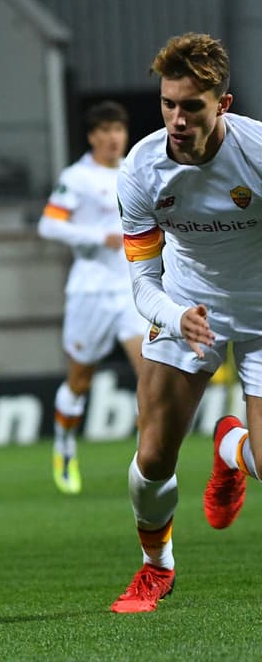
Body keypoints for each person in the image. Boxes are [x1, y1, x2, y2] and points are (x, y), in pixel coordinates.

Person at [110, 33, 262, 612]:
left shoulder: (256, 153)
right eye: (168, 104)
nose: (177, 119)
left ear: (223, 104)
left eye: (192, 106)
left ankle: (231, 449)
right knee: (152, 458)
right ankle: (157, 567)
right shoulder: (141, 169)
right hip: (186, 305)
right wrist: (177, 316)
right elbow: (142, 284)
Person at [37, 101, 142, 495]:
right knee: (79, 381)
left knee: (150, 374)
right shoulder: (77, 177)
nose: (114, 137)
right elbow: (48, 225)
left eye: (119, 129)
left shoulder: (136, 169)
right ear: (93, 136)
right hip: (90, 289)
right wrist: (99, 236)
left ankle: (148, 461)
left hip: (131, 288)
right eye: (107, 130)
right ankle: (65, 445)